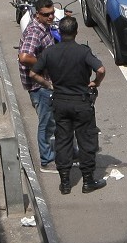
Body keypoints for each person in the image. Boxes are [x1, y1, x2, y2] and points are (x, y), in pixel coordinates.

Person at [32, 16, 107, 195]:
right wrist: (96, 82)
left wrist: (49, 85)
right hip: (81, 103)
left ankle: (65, 182)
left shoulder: (50, 52)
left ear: (60, 32)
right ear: (76, 32)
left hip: (60, 102)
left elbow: (34, 73)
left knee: (63, 140)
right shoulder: (83, 51)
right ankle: (88, 181)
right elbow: (101, 69)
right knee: (86, 141)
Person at [17, 0, 58, 170]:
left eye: (52, 13)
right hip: (39, 86)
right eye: (46, 14)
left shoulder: (45, 27)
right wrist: (43, 63)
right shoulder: (35, 32)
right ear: (37, 14)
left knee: (52, 120)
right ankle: (46, 159)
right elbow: (24, 57)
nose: (50, 17)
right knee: (46, 121)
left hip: (46, 81)